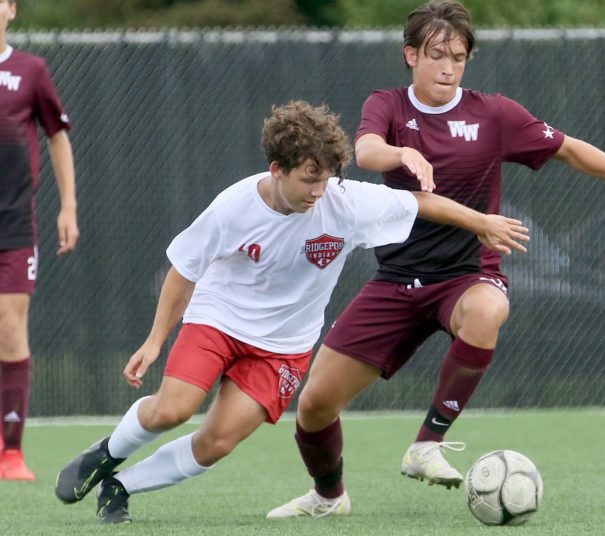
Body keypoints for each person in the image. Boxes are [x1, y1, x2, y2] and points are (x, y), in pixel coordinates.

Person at [267, 0, 605, 519]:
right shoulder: (390, 104)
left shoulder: (494, 114)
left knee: (487, 310)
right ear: (410, 55)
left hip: (466, 275)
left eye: (459, 57)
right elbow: (367, 150)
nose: (448, 67)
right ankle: (328, 497)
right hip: (396, 278)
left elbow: (570, 149)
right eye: (437, 55)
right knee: (314, 405)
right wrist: (402, 153)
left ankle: (426, 445)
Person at [53, 100, 528, 523]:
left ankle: (121, 487)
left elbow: (420, 202)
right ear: (277, 169)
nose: (319, 191)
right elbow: (184, 270)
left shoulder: (344, 201)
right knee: (173, 410)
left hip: (284, 346)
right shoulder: (234, 207)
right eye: (308, 179)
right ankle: (106, 454)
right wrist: (155, 341)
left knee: (218, 442)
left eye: (325, 178)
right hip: (218, 319)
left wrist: (481, 221)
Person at [0, 0, 79, 480]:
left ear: (10, 9)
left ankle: (10, 451)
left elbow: (57, 135)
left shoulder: (31, 70)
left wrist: (68, 206)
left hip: (13, 225)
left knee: (10, 328)